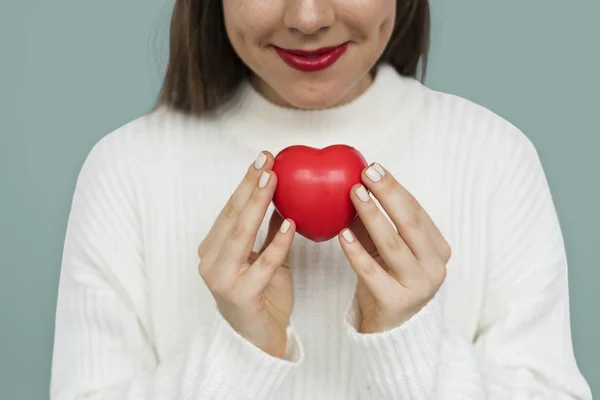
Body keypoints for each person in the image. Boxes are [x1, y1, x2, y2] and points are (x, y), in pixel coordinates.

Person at [50, 0, 592, 399]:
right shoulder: (124, 169)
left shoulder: (495, 156)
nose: (307, 18)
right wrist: (241, 352)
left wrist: (408, 344)